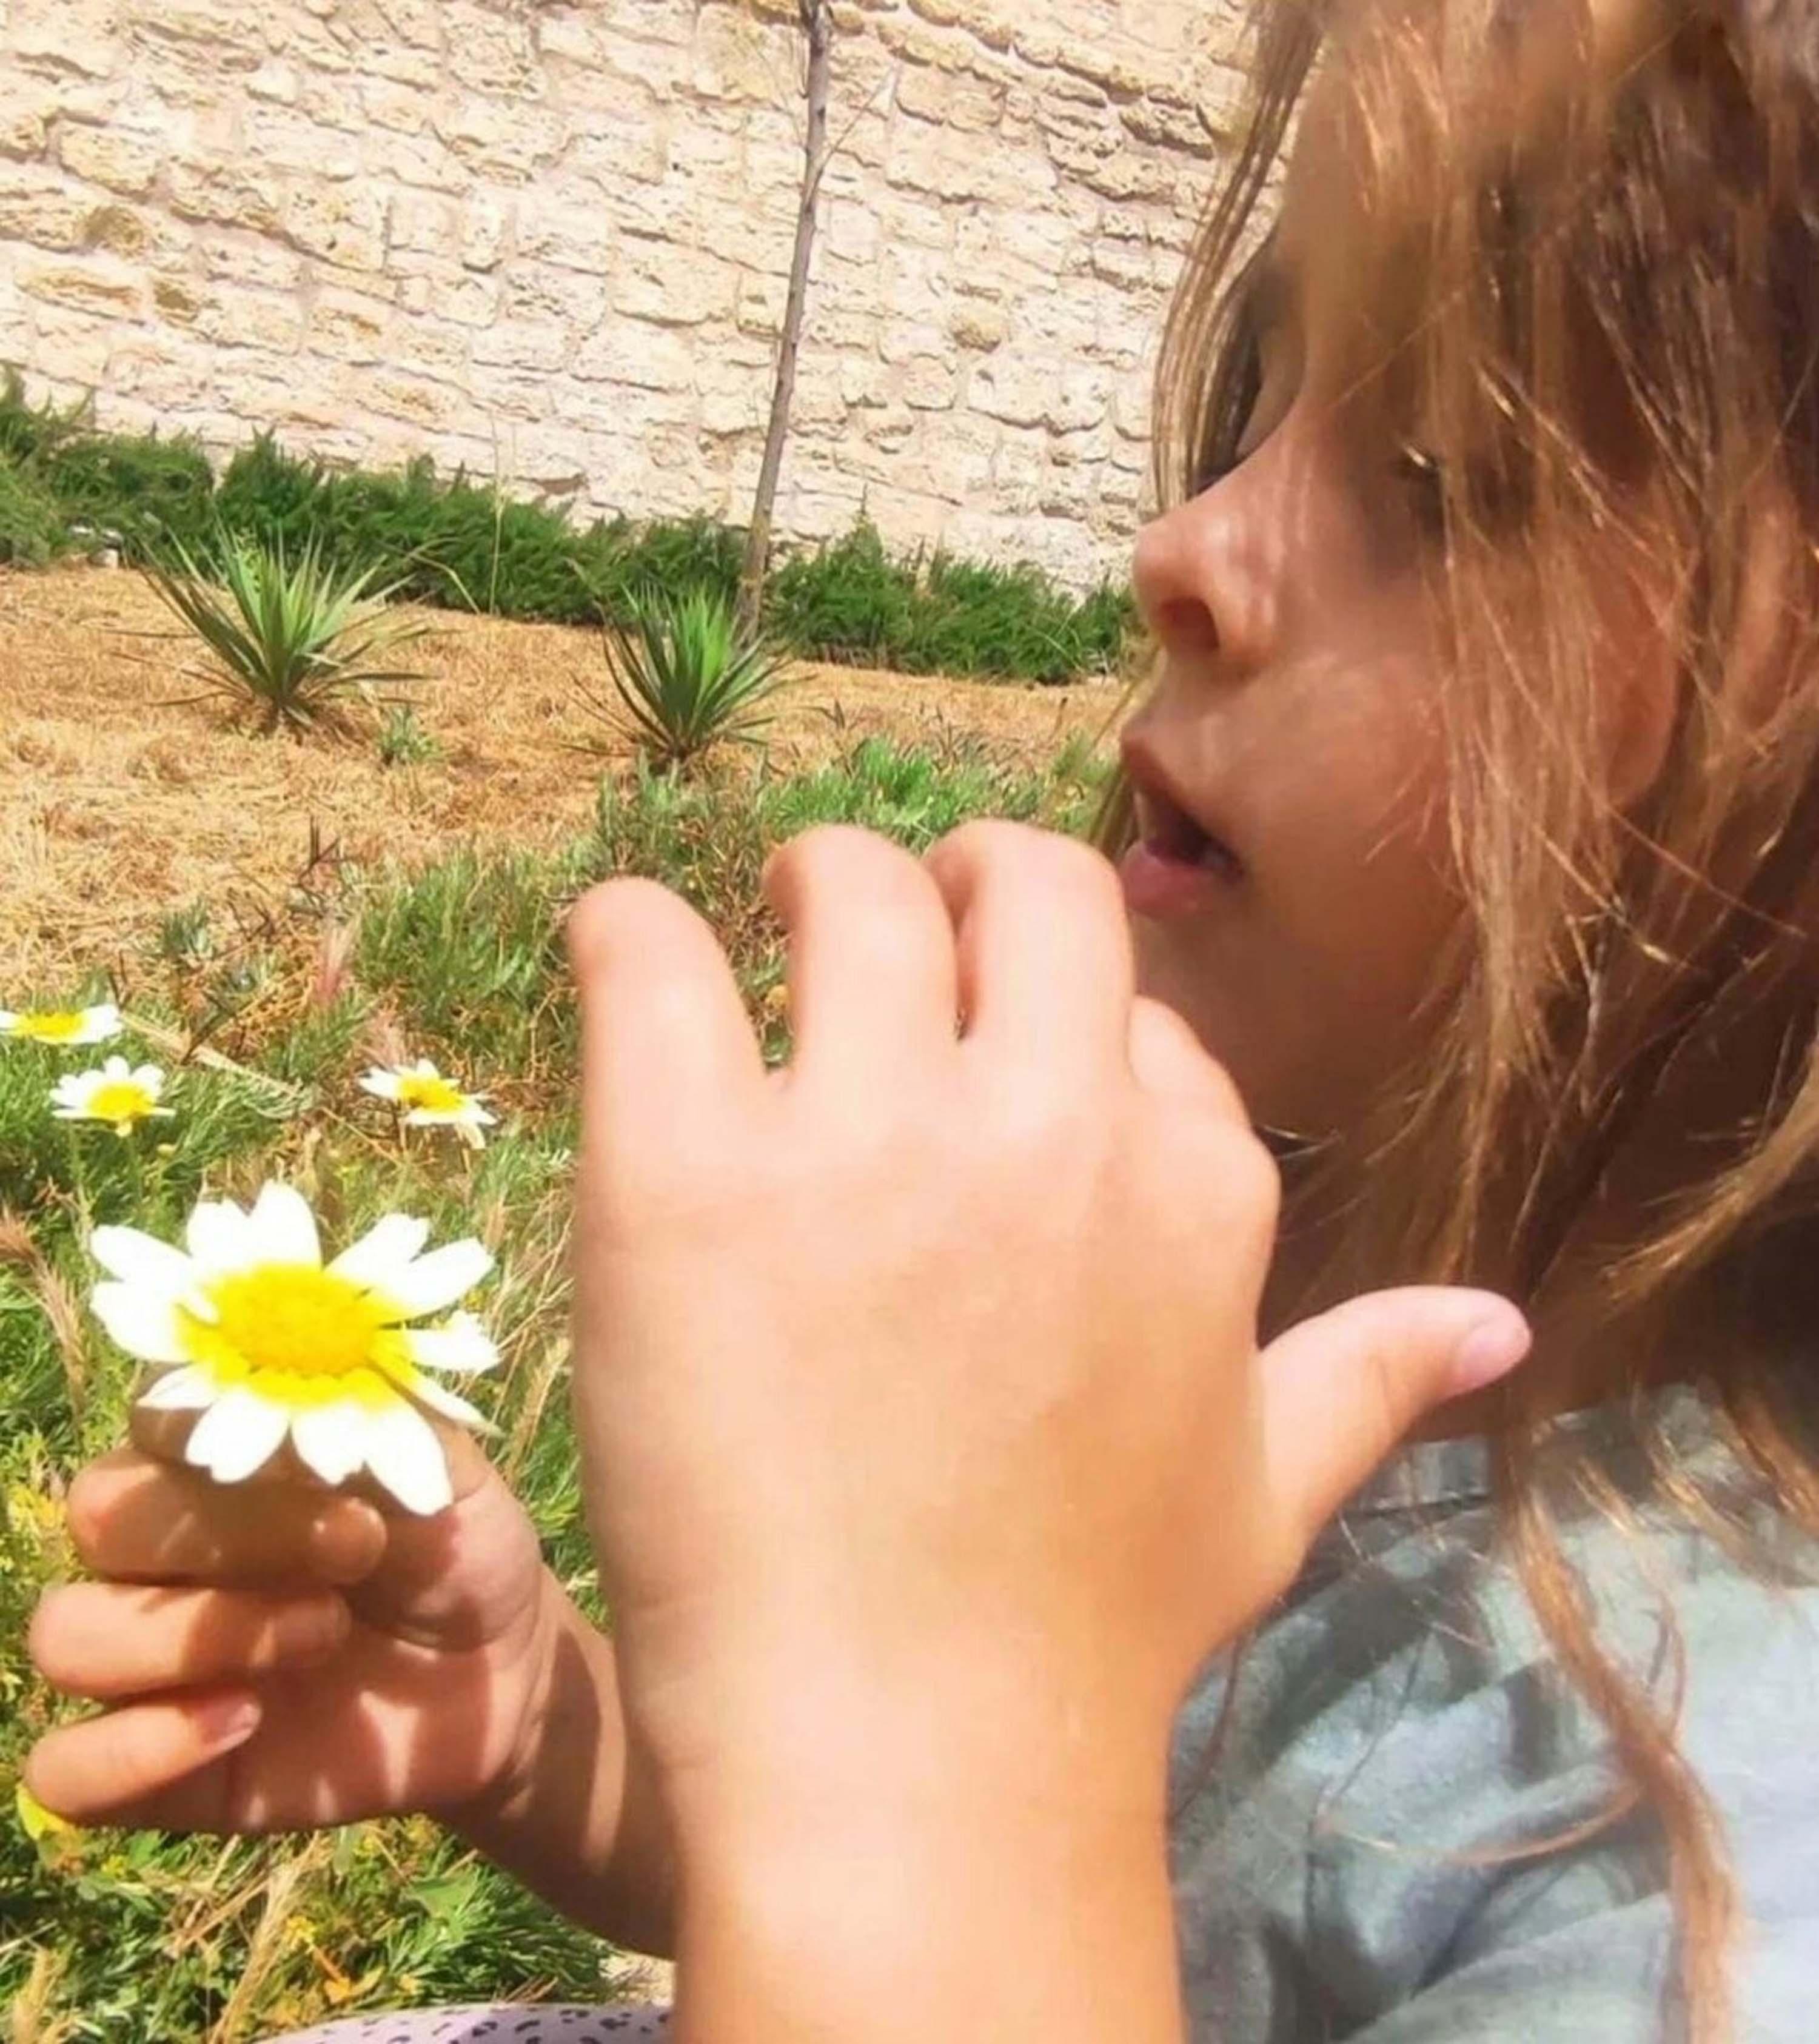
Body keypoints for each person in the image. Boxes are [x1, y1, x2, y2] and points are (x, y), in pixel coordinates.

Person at [22, 0, 1819, 2036]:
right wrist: (560, 1726)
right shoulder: (1296, 1293)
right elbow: (1034, 1914)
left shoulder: (1712, 1903)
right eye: (1254, 395)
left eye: (1448, 471)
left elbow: (961, 1869)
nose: (1182, 546)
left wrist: (928, 1745)